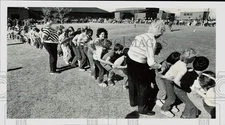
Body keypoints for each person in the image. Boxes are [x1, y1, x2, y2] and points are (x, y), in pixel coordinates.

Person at [127, 19, 165, 116]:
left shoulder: (141, 35)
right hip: (138, 63)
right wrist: (160, 66)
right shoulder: (152, 41)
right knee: (144, 87)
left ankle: (133, 101)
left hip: (129, 59)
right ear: (159, 33)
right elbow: (151, 62)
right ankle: (143, 109)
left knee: (132, 81)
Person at [160, 48, 197, 117]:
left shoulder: (179, 61)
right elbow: (176, 81)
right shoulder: (184, 68)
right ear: (190, 60)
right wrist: (184, 87)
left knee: (171, 95)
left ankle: (171, 105)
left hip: (168, 78)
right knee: (172, 98)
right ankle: (164, 109)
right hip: (168, 81)